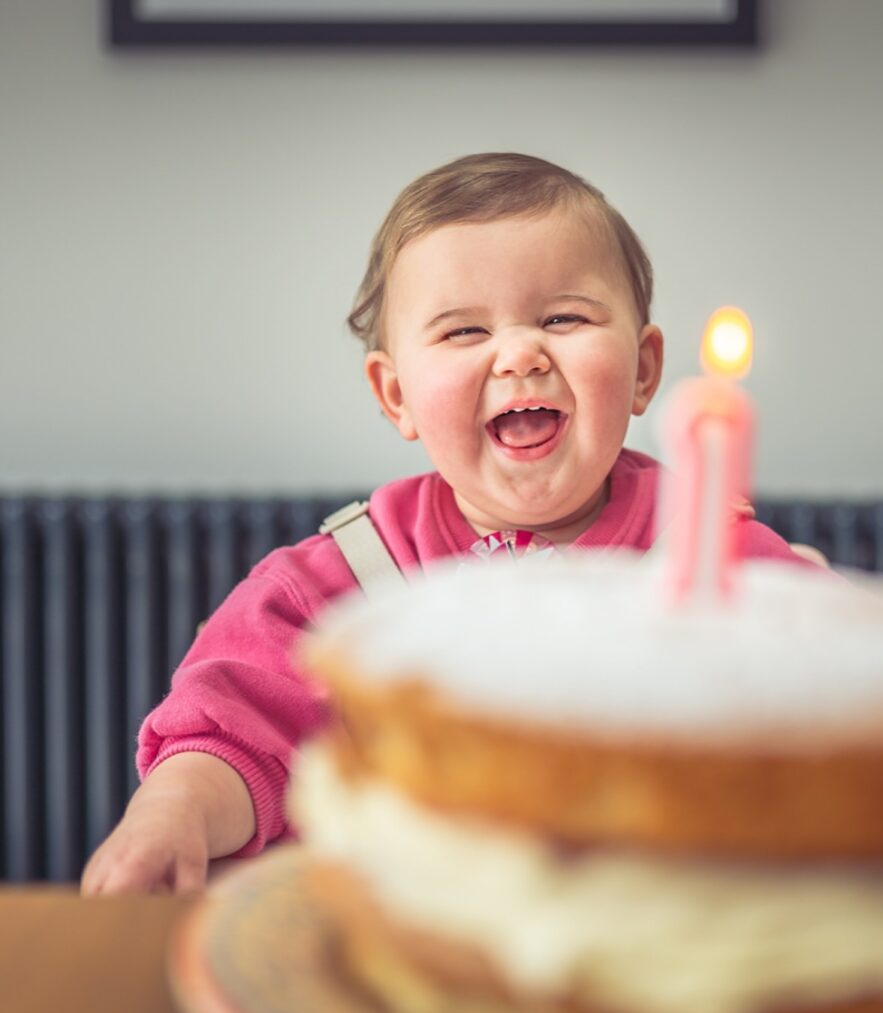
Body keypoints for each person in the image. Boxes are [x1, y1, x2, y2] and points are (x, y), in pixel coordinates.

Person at [81, 152, 819, 895]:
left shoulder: (718, 563)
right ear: (395, 393)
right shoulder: (341, 586)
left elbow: (837, 732)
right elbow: (235, 729)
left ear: (644, 370)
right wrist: (174, 809)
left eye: (563, 318)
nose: (519, 353)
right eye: (464, 332)